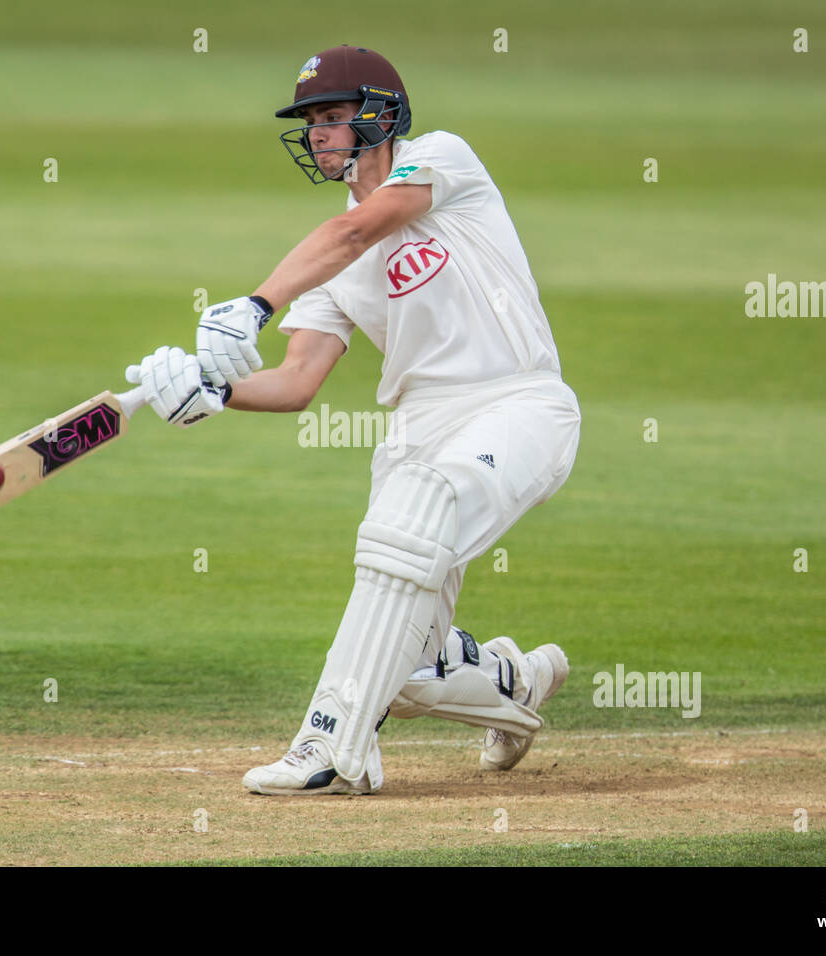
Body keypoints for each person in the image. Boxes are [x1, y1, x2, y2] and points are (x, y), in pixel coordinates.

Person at [130, 45, 581, 794]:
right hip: (419, 426)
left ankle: (332, 749)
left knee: (416, 509)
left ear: (382, 115)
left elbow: (357, 232)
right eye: (311, 122)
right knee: (406, 672)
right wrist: (212, 391)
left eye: (333, 117)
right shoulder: (332, 259)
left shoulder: (441, 160)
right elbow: (297, 379)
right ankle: (514, 681)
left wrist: (254, 305)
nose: (318, 134)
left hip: (518, 402)